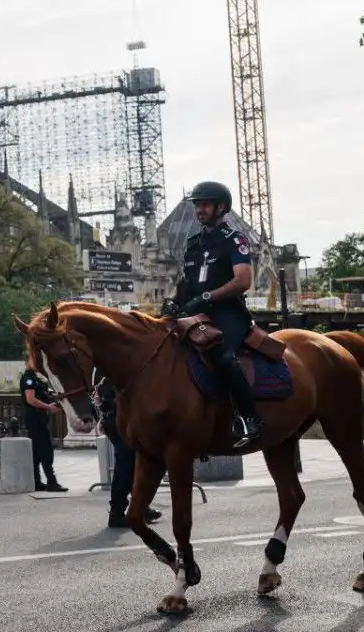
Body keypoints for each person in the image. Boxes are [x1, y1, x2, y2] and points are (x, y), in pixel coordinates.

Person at [169, 180, 262, 448]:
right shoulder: (193, 243)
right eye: (197, 204)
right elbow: (186, 282)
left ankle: (250, 419)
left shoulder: (235, 240)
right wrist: (174, 301)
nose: (199, 209)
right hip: (195, 313)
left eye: (205, 204)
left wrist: (207, 297)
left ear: (221, 207)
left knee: (223, 358)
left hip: (228, 313)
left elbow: (243, 281)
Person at [96, 374, 160, 529]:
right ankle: (116, 513)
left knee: (132, 465)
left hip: (121, 420)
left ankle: (140, 508)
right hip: (118, 421)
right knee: (125, 466)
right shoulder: (113, 367)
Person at [17, 367, 68, 492]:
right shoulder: (29, 379)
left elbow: (42, 395)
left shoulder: (37, 378)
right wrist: (48, 407)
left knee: (36, 453)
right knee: (46, 450)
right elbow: (31, 399)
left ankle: (36, 482)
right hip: (35, 419)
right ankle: (51, 482)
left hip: (39, 418)